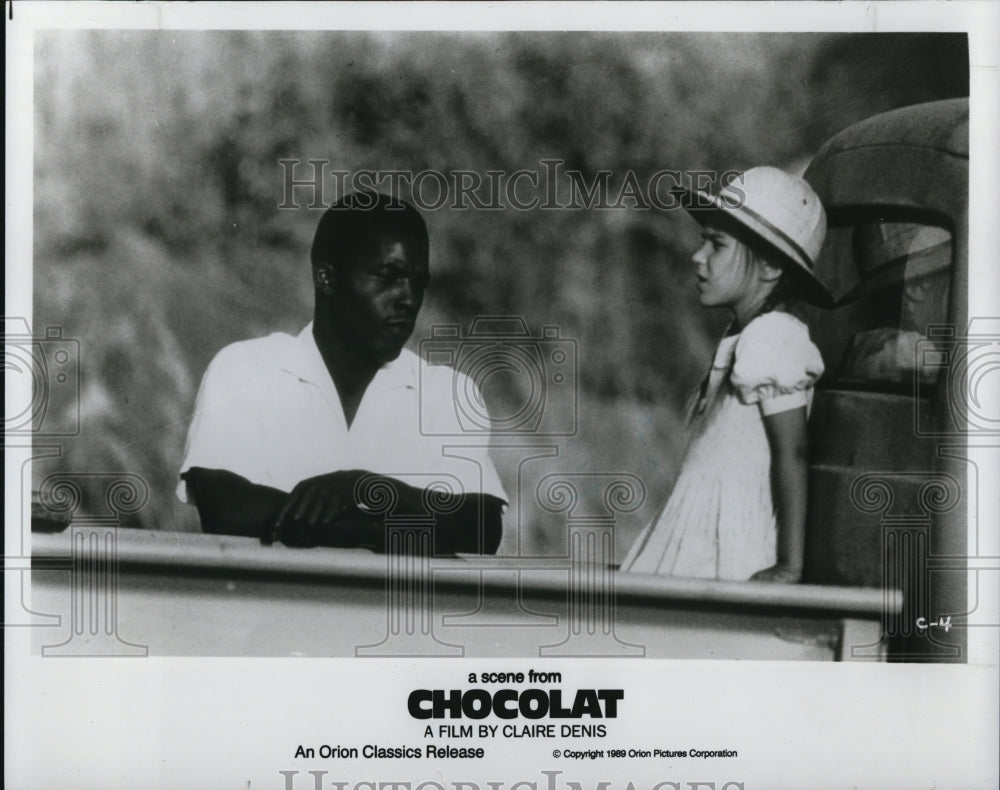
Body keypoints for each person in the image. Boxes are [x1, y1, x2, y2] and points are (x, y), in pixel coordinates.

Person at [177, 191, 507, 554]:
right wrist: (383, 530)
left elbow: (479, 526)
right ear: (326, 278)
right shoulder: (246, 370)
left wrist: (361, 488)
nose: (408, 298)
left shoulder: (446, 393)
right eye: (388, 276)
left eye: (419, 282)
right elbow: (226, 510)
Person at [621, 167, 832, 583]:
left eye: (717, 245)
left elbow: (792, 454)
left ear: (770, 266)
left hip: (727, 545)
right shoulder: (745, 336)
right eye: (704, 242)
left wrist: (790, 564)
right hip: (698, 530)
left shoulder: (774, 336)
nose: (698, 257)